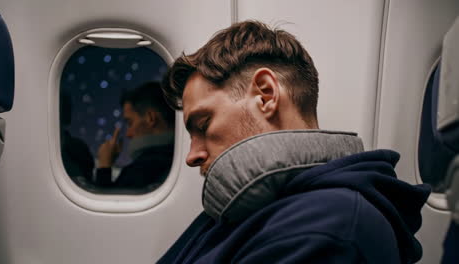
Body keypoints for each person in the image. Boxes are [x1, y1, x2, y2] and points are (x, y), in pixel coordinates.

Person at [158, 21, 431, 263]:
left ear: (266, 95)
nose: (191, 156)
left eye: (204, 125)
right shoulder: (245, 204)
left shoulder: (326, 227)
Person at [95, 82, 175, 190]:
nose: (128, 134)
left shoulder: (142, 170)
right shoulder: (176, 158)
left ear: (150, 118)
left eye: (130, 123)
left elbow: (107, 205)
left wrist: (104, 166)